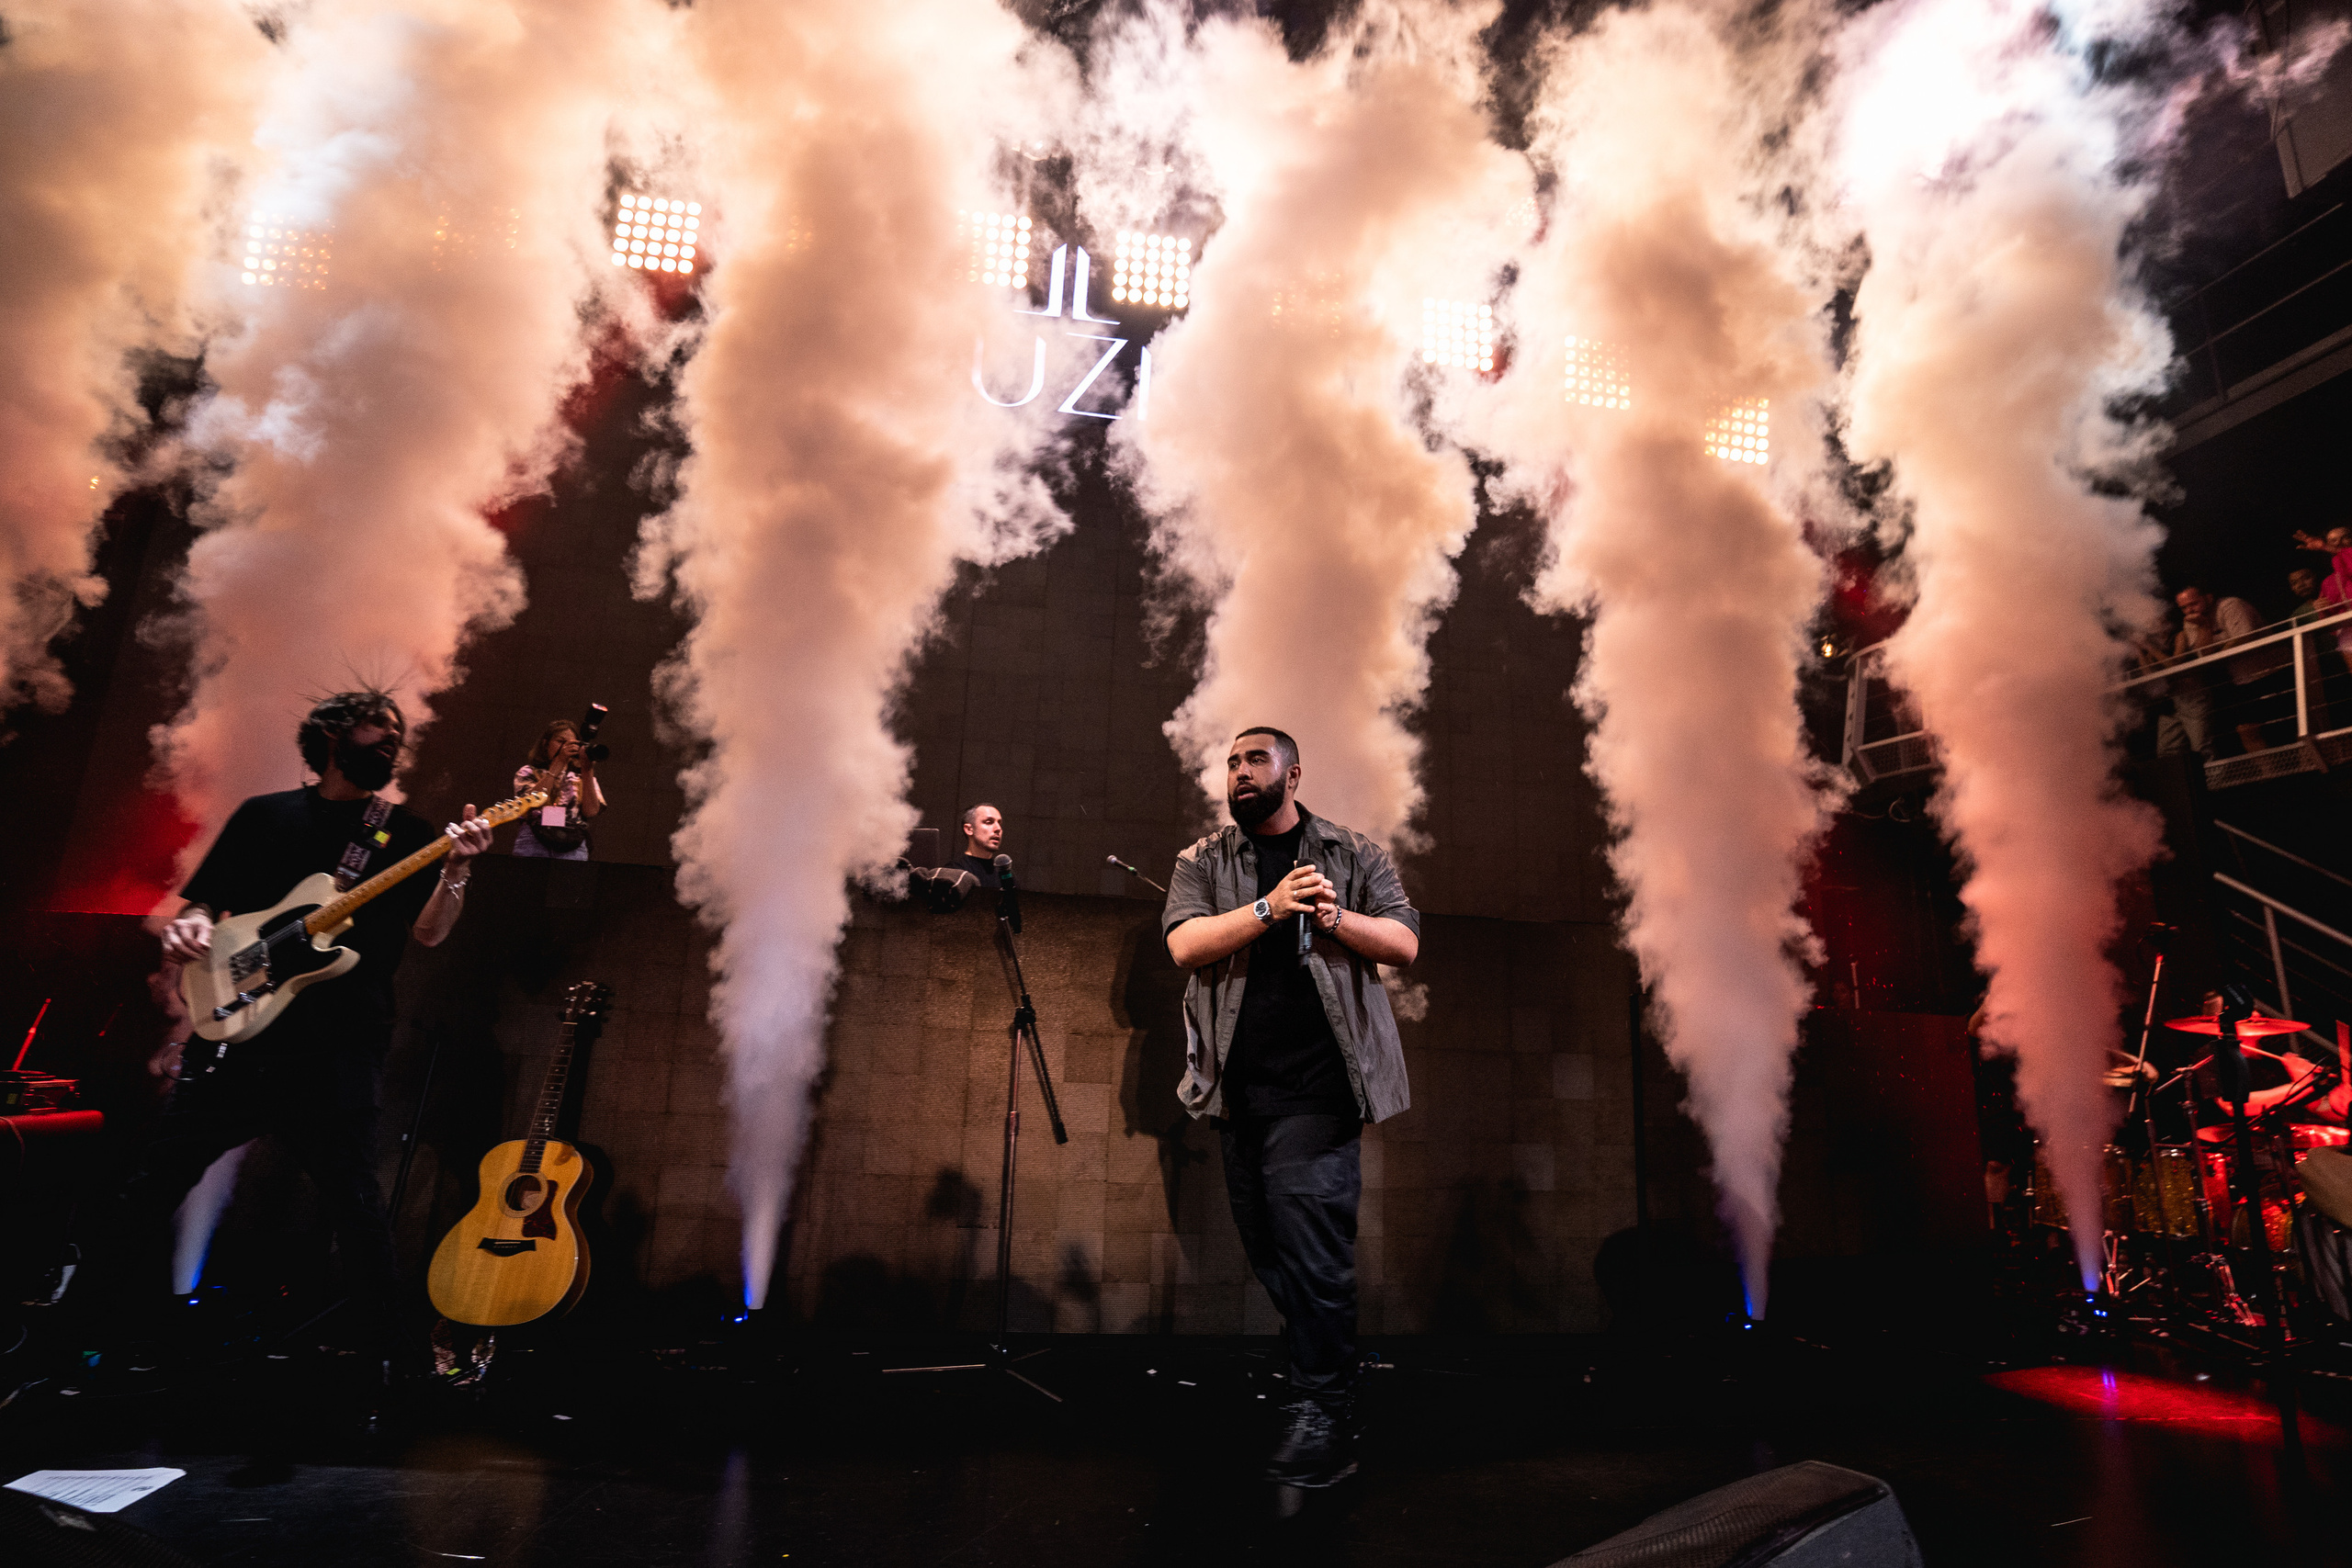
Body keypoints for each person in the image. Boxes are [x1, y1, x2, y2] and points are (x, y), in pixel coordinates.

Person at [84, 691, 492, 1371]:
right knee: (151, 1188)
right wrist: (190, 925)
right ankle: (68, 1341)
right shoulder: (264, 816)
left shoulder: (407, 832)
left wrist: (456, 869)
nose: (391, 737)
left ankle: (394, 1371)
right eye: (376, 724)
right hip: (237, 1039)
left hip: (338, 1046)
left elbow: (429, 932)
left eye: (397, 729)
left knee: (357, 1209)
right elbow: (205, 905)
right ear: (332, 733)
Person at [1161, 727, 1420, 1490]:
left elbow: (1404, 941)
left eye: (1256, 760)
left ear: (1293, 773)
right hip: (1240, 1093)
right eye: (1232, 763)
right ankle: (1325, 1368)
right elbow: (1185, 944)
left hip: (1321, 1091)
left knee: (1314, 1253)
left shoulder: (1352, 852)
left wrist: (1336, 919)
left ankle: (1325, 1408)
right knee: (1272, 1250)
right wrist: (1270, 908)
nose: (1240, 772)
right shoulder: (1203, 859)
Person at [2168, 584, 2286, 758]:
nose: (2189, 611)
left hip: (2273, 671)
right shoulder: (2192, 622)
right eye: (2184, 608)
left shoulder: (2230, 605)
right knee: (2246, 730)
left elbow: (2245, 637)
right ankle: (2272, 771)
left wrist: (2219, 653)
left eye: (2193, 603)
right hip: (2242, 680)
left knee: (2284, 726)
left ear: (2208, 597)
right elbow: (2205, 654)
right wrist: (2204, 627)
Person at [512, 718, 605, 860]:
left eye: (572, 743)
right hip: (534, 840)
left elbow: (591, 811)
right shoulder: (528, 772)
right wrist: (559, 762)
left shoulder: (582, 777)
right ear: (546, 744)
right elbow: (529, 803)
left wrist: (587, 770)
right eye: (561, 741)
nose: (566, 747)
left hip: (573, 844)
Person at [956, 802, 1005, 886]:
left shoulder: (1005, 874)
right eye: (989, 822)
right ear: (969, 829)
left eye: (999, 823)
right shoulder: (956, 871)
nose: (998, 828)